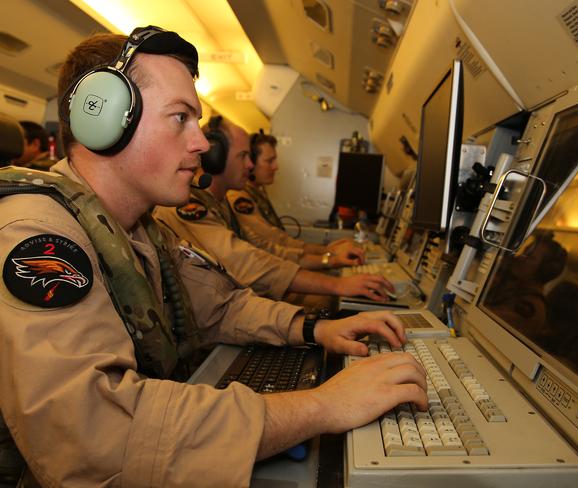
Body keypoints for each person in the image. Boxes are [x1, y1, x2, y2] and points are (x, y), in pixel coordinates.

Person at [0, 27, 427, 487]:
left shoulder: (143, 230)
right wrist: (323, 405)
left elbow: (221, 304)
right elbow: (94, 438)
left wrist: (316, 327)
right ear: (100, 120)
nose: (203, 144)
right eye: (180, 117)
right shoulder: (37, 236)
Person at [153, 118, 395, 304]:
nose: (250, 165)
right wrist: (334, 279)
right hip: (223, 316)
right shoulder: (190, 205)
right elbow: (248, 262)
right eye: (244, 156)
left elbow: (265, 246)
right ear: (215, 158)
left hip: (237, 304)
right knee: (327, 303)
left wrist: (328, 256)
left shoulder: (220, 202)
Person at [226, 129, 363, 269]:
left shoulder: (256, 192)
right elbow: (274, 241)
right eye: (269, 161)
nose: (276, 167)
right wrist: (328, 253)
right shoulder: (239, 198)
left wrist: (328, 250)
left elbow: (281, 240)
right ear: (251, 164)